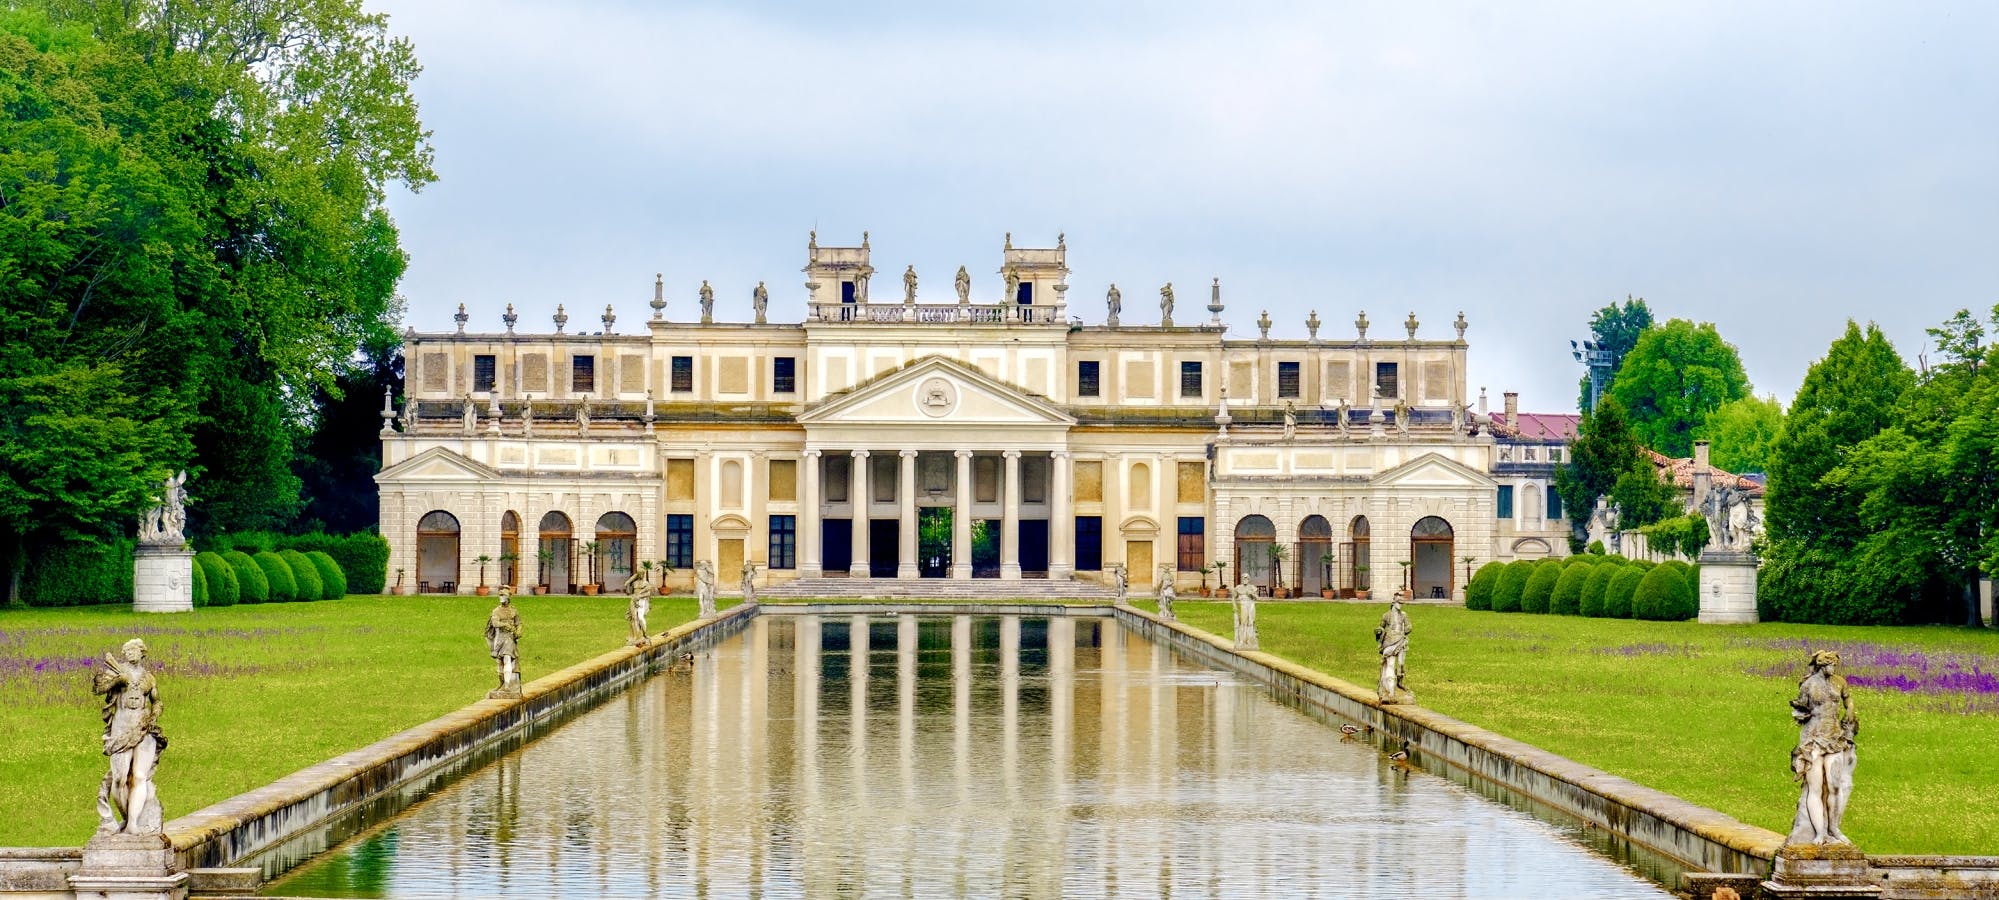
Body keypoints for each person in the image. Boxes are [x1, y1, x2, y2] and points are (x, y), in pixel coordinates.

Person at [93, 639, 166, 835]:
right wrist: (118, 681)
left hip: (143, 726)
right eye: (127, 650)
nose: (130, 653)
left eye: (134, 650)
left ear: (142, 653)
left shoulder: (148, 678)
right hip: (121, 727)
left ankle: (133, 823)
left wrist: (154, 715)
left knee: (140, 776)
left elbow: (157, 701)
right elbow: (98, 689)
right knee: (120, 778)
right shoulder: (116, 671)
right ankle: (125, 818)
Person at [1787, 650, 1859, 845]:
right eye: (1829, 665)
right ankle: (1820, 832)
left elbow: (1848, 699)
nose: (1832, 668)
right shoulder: (1808, 685)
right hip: (1813, 739)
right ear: (1820, 665)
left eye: (1834, 665)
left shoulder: (1839, 682)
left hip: (1834, 737)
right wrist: (1801, 715)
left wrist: (1850, 710)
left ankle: (1834, 827)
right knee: (1815, 787)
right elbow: (1799, 708)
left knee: (1834, 785)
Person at [1375, 593, 1412, 703]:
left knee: (1400, 665)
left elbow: (1409, 626)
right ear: (1394, 603)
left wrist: (1407, 629)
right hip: (1390, 641)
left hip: (1400, 641)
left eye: (1401, 603)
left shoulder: (1403, 615)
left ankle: (1400, 682)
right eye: (1399, 603)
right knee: (1390, 665)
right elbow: (1381, 627)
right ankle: (1391, 692)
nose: (1400, 605)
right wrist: (1379, 631)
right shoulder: (1386, 615)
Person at [486, 588, 523, 691]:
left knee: (507, 658)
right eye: (500, 595)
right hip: (499, 638)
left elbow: (518, 623)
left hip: (510, 638)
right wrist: (506, 624)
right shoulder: (496, 611)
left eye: (503, 595)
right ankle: (502, 683)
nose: (501, 598)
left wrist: (519, 630)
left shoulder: (513, 610)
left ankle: (507, 685)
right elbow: (495, 623)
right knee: (500, 664)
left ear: (508, 597)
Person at [623, 570, 651, 647]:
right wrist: (629, 582)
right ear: (637, 574)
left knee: (640, 618)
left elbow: (648, 593)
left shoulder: (646, 583)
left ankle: (644, 634)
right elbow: (628, 592)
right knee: (633, 618)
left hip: (641, 602)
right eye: (639, 574)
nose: (641, 575)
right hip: (633, 600)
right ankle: (635, 636)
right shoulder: (635, 583)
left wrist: (640, 596)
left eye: (642, 574)